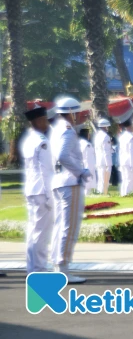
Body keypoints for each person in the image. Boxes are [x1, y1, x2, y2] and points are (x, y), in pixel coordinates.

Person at [50, 97, 91, 284]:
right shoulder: (67, 131)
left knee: (60, 226)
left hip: (59, 181)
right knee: (69, 227)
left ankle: (58, 265)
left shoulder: (55, 129)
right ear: (72, 113)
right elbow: (62, 155)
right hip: (69, 181)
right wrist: (80, 171)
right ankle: (63, 267)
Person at [20, 106, 53, 274]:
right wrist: (50, 196)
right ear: (38, 121)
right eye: (45, 120)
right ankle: (39, 268)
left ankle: (32, 267)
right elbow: (45, 171)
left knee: (33, 230)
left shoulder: (28, 140)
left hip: (31, 189)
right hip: (41, 191)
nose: (47, 123)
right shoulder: (42, 141)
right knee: (41, 233)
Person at [118, 119, 133, 196]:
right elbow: (131, 151)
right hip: (130, 161)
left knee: (125, 179)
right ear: (130, 126)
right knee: (130, 179)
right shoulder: (131, 137)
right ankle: (128, 194)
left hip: (123, 160)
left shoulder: (122, 136)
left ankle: (123, 193)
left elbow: (120, 151)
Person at [94, 118, 112, 195]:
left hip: (99, 160)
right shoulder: (106, 137)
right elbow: (106, 151)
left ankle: (100, 192)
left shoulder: (97, 136)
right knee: (105, 179)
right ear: (105, 127)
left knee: (101, 178)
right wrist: (108, 163)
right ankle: (104, 192)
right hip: (105, 161)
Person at [78, 127, 96, 196]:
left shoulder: (78, 143)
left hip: (80, 166)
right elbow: (89, 158)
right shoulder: (87, 144)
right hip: (87, 167)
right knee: (87, 187)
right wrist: (90, 169)